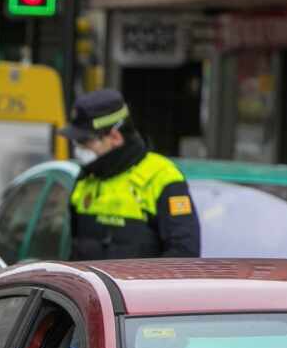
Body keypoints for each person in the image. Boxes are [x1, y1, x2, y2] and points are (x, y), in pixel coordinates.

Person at [62, 88, 201, 260]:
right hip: (89, 287)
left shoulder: (162, 178)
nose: (78, 148)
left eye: (84, 141)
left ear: (115, 137)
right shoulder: (86, 179)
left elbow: (184, 257)